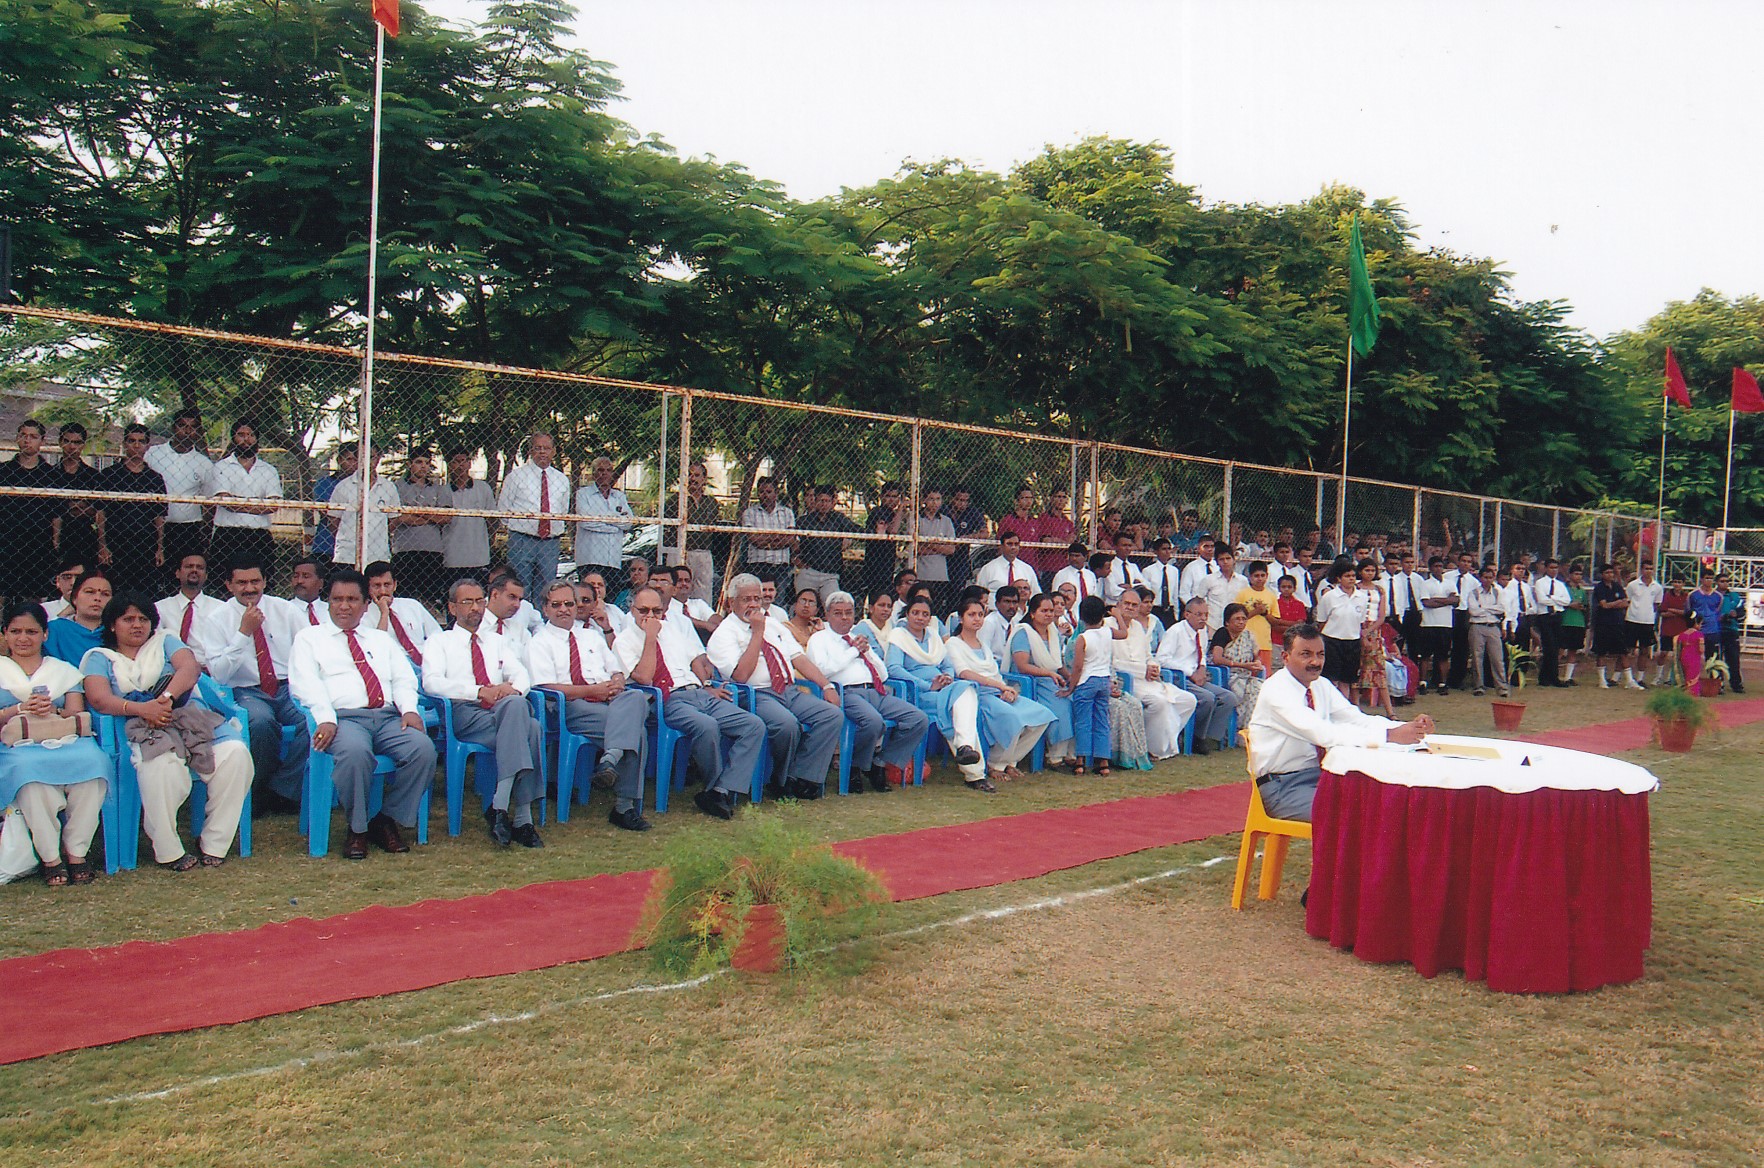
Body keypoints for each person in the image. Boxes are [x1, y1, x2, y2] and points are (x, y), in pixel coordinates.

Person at [82, 593, 253, 869]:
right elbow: (99, 698)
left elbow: (190, 668)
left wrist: (166, 699)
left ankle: (215, 843)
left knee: (236, 755)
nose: (137, 625)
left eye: (143, 619)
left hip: (190, 719)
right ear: (112, 625)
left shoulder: (165, 641)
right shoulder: (99, 657)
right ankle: (168, 849)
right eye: (128, 619)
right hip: (140, 727)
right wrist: (142, 709)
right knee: (160, 767)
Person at [288, 569, 437, 860]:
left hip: (387, 717)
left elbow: (403, 678)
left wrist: (409, 709)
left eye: (352, 600)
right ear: (328, 602)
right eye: (337, 599)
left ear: (366, 604)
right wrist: (326, 718)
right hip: (343, 719)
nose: (344, 606)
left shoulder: (380, 640)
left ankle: (385, 820)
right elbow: (306, 684)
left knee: (423, 750)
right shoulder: (310, 639)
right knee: (355, 753)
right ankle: (357, 829)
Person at [1245, 623, 1434, 821]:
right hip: (1282, 786)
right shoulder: (1276, 691)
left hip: (1322, 776)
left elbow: (1357, 719)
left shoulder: (1320, 685)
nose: (1315, 662)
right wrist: (1389, 736)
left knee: (1381, 803)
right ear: (1285, 657)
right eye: (1305, 654)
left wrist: (1408, 728)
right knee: (1356, 817)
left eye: (1320, 655)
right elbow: (1324, 734)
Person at [613, 585, 767, 821]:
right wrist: (650, 638)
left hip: (698, 692)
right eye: (644, 610)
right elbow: (644, 677)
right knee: (706, 726)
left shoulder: (672, 631)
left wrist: (707, 684)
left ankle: (721, 790)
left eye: (657, 611)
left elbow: (695, 661)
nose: (651, 616)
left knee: (753, 725)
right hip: (667, 699)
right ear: (632, 610)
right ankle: (713, 787)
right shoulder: (624, 640)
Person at [422, 578, 546, 846]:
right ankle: (522, 817)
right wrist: (477, 691)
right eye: (467, 602)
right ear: (452, 608)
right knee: (532, 729)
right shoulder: (439, 641)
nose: (475, 608)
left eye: (480, 601)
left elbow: (521, 675)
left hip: (502, 710)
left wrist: (511, 689)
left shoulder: (496, 641)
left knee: (518, 708)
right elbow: (431, 683)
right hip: (465, 712)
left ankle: (501, 808)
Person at [0, 601, 111, 886]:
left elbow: (74, 713)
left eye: (31, 632)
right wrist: (19, 709)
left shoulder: (62, 671)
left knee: (94, 766)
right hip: (16, 746)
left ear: (45, 634)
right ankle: (51, 859)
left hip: (64, 740)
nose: (23, 638)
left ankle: (77, 854)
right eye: (16, 631)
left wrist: (53, 710)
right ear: (5, 634)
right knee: (32, 780)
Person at [526, 581, 652, 830]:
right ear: (545, 609)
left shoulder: (591, 636)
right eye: (556, 605)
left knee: (636, 698)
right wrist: (592, 691)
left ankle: (610, 758)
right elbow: (547, 687)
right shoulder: (539, 642)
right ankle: (624, 806)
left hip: (608, 701)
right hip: (569, 707)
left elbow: (616, 670)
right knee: (637, 732)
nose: (564, 609)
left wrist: (617, 683)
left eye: (569, 603)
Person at [706, 574, 845, 800]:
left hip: (788, 690)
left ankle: (801, 777)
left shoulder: (773, 624)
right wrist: (757, 632)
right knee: (786, 724)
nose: (753, 605)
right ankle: (779, 780)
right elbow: (740, 676)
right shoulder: (724, 633)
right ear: (731, 603)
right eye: (746, 599)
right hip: (755, 695)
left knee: (831, 715)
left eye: (757, 599)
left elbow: (798, 658)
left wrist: (826, 685)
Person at [201, 561, 311, 813]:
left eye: (255, 581)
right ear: (229, 585)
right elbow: (219, 674)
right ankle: (258, 790)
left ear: (264, 582)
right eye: (241, 583)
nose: (249, 588)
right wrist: (243, 633)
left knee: (312, 721)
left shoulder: (285, 610)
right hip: (246, 690)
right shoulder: (217, 619)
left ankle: (283, 790)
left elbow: (309, 648)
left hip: (287, 687)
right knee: (260, 723)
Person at [807, 592, 930, 793]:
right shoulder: (819, 639)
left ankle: (879, 763)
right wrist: (853, 652)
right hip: (846, 693)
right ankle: (854, 767)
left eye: (848, 613)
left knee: (918, 719)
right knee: (873, 722)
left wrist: (867, 653)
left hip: (875, 690)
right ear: (827, 615)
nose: (844, 617)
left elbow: (883, 674)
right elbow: (822, 671)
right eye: (838, 613)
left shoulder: (856, 637)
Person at [945, 597, 1054, 785]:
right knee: (1012, 718)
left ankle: (1009, 761)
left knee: (1042, 716)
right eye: (971, 615)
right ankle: (995, 763)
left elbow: (995, 672)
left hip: (997, 691)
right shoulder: (953, 644)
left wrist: (1005, 690)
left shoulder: (983, 645)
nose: (977, 619)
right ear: (961, 618)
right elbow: (964, 673)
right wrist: (999, 686)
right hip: (977, 694)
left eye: (980, 615)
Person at [886, 596, 992, 789]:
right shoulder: (899, 637)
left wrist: (947, 677)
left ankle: (966, 750)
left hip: (942, 689)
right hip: (916, 693)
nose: (920, 618)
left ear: (930, 618)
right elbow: (893, 669)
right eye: (915, 613)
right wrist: (928, 686)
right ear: (907, 614)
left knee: (966, 690)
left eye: (925, 614)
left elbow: (947, 665)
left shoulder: (933, 637)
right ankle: (974, 772)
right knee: (959, 707)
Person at [1107, 587, 1195, 761]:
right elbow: (1113, 663)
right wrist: (1143, 670)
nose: (1130, 608)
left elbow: (1149, 656)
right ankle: (1154, 749)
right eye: (1126, 604)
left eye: (1134, 605)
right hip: (1126, 681)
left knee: (1188, 700)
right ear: (1118, 604)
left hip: (1148, 681)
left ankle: (1159, 741)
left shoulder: (1138, 628)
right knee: (1160, 703)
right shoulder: (1107, 625)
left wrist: (1153, 667)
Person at [1154, 597, 1240, 755]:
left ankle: (1209, 736)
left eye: (1206, 614)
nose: (1203, 618)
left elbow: (1202, 655)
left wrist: (1202, 668)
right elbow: (1162, 659)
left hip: (1197, 676)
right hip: (1179, 677)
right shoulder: (1175, 631)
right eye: (1199, 614)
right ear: (1187, 614)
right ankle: (1196, 737)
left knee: (1229, 698)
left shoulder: (1202, 632)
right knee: (1207, 698)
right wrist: (1190, 672)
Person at [497, 432, 569, 604]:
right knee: (518, 587)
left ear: (553, 451)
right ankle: (518, 619)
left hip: (550, 543)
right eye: (538, 448)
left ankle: (540, 620)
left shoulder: (561, 479)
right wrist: (522, 526)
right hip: (522, 540)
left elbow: (563, 510)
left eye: (547, 448)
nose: (542, 452)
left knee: (546, 590)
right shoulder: (516, 477)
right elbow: (503, 510)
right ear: (530, 451)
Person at [95, 424, 168, 596]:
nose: (136, 445)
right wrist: (102, 545)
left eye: (141, 441)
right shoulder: (109, 475)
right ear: (124, 443)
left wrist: (160, 548)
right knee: (115, 592)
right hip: (116, 543)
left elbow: (159, 517)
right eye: (131, 441)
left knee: (144, 593)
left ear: (147, 445)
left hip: (145, 545)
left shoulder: (154, 478)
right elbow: (100, 513)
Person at [207, 419, 284, 580]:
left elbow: (273, 504)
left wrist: (238, 502)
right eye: (241, 435)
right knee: (224, 583)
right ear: (233, 438)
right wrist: (257, 504)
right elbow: (225, 501)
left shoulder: (269, 470)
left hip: (259, 536)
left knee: (262, 582)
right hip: (228, 534)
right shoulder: (221, 467)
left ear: (257, 439)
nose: (246, 439)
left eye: (251, 435)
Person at [145, 409, 213, 586]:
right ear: (174, 428)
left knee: (184, 578)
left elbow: (208, 502)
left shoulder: (204, 463)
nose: (187, 431)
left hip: (188, 528)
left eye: (193, 427)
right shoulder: (153, 454)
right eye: (183, 426)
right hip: (155, 526)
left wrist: (205, 532)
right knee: (154, 575)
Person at [1010, 593, 1075, 768]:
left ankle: (1071, 753)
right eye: (1044, 611)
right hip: (1031, 682)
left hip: (1052, 680)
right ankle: (1055, 755)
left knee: (1076, 699)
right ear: (1032, 613)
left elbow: (1057, 663)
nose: (1048, 614)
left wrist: (1072, 679)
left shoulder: (1053, 633)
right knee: (1062, 704)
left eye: (1051, 611)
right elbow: (1022, 666)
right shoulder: (1024, 633)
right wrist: (1048, 674)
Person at [0, 420, 59, 605]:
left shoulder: (51, 475)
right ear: (17, 438)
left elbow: (56, 514)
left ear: (42, 440)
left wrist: (55, 542)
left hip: (38, 541)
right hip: (6, 539)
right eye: (23, 436)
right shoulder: (4, 471)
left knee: (34, 596)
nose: (27, 441)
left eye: (33, 437)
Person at [393, 449, 453, 608]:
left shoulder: (439, 488)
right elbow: (400, 517)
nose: (423, 466)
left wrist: (416, 512)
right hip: (405, 550)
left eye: (427, 463)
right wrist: (430, 513)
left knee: (430, 598)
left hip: (432, 550)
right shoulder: (397, 487)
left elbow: (445, 518)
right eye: (419, 462)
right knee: (404, 599)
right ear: (409, 464)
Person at [328, 445, 402, 572]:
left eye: (371, 457)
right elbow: (333, 520)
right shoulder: (343, 486)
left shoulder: (389, 487)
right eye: (362, 457)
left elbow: (393, 520)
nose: (367, 461)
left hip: (378, 554)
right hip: (347, 554)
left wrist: (376, 534)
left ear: (378, 458)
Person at [574, 456, 635, 599]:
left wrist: (601, 517)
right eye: (600, 470)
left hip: (613, 559)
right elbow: (586, 522)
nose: (604, 474)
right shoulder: (583, 494)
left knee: (610, 599)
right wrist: (615, 524)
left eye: (608, 470)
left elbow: (628, 522)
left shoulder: (618, 496)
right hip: (590, 558)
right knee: (589, 597)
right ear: (594, 473)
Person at [1067, 596, 1115, 775]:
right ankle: (1103, 761)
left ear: (1082, 617)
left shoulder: (1083, 638)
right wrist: (1116, 614)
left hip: (1086, 681)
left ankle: (1080, 761)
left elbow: (1078, 667)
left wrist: (1071, 687)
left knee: (1083, 721)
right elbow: (1124, 633)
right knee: (1102, 720)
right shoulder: (1108, 632)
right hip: (1104, 680)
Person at [663, 460, 722, 603]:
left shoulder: (711, 503)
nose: (693, 479)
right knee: (678, 589)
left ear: (704, 479)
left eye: (697, 475)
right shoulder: (675, 501)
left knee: (703, 591)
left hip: (702, 552)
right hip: (680, 551)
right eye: (689, 475)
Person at [364, 561, 441, 666]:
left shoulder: (412, 605)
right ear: (368, 588)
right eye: (377, 586)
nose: (383, 591)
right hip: (394, 664)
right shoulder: (365, 616)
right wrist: (384, 614)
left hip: (425, 660)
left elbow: (436, 635)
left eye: (387, 585)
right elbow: (377, 647)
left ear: (395, 585)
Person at [50, 422, 103, 573]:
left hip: (85, 536)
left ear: (83, 445)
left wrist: (67, 507)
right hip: (56, 535)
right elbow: (51, 509)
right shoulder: (50, 474)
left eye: (77, 442)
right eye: (67, 441)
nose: (72, 447)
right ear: (60, 442)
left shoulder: (93, 476)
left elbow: (97, 511)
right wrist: (78, 506)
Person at [154, 554, 226, 665]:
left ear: (206, 575)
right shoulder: (160, 608)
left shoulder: (221, 609)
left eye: (200, 567)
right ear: (178, 573)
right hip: (172, 669)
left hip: (209, 669)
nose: (194, 570)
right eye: (189, 566)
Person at [794, 485, 856, 601]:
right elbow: (792, 541)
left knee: (832, 603)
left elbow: (856, 530)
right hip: (809, 571)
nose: (824, 504)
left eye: (827, 501)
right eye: (821, 500)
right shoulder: (804, 521)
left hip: (831, 574)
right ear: (815, 501)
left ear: (832, 502)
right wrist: (796, 559)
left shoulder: (839, 519)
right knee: (805, 603)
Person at [442, 447, 496, 582]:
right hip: (452, 556)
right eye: (455, 461)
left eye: (463, 461)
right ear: (450, 465)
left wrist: (490, 539)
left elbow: (492, 519)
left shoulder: (483, 488)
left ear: (469, 463)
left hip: (479, 556)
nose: (460, 465)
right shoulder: (443, 491)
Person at [1312, 562, 1364, 699]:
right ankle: (1327, 704)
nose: (1351, 579)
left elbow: (1361, 621)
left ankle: (1343, 706)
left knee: (1346, 680)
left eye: (1353, 576)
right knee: (1331, 678)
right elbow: (1322, 620)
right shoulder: (1329, 597)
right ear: (1339, 578)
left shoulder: (1361, 597)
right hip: (1332, 641)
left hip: (1352, 641)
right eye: (1347, 576)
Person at [1211, 602, 1268, 717]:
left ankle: (1250, 725)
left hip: (1246, 676)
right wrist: (1241, 665)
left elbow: (1256, 656)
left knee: (1263, 689)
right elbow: (1217, 659)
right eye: (1237, 619)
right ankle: (1238, 723)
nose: (1241, 622)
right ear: (1227, 622)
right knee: (1242, 690)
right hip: (1228, 676)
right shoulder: (1222, 633)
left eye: (1244, 619)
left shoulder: (1248, 636)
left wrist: (1257, 663)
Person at [47, 569, 115, 666]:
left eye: (105, 594)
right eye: (90, 592)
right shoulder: (54, 630)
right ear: (74, 598)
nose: (97, 598)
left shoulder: (118, 631)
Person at [740, 476, 797, 588]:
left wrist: (765, 538)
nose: (765, 495)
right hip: (757, 564)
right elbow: (754, 539)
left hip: (780, 565)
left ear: (776, 493)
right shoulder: (750, 513)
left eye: (769, 492)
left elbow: (790, 539)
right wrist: (777, 537)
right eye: (761, 492)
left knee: (779, 596)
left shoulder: (787, 513)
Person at [1464, 563, 1510, 699]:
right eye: (1485, 577)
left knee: (1497, 658)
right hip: (1477, 626)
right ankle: (1478, 686)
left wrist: (1483, 608)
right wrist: (1491, 609)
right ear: (1480, 578)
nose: (1488, 580)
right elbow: (1473, 611)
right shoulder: (1473, 593)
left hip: (1493, 626)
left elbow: (1502, 608)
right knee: (1477, 657)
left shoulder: (1498, 592)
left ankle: (1502, 687)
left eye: (1490, 577)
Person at [309, 446, 357, 566]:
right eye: (349, 459)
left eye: (356, 459)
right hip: (326, 544)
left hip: (353, 545)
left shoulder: (363, 486)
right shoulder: (325, 483)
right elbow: (326, 511)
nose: (353, 463)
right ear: (339, 460)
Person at [1356, 559, 1393, 710]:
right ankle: (1355, 706)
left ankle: (1389, 710)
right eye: (1367, 570)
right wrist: (1361, 631)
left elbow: (1381, 616)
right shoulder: (1355, 588)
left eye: (1372, 571)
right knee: (1356, 668)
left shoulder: (1379, 590)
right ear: (1360, 571)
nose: (1370, 573)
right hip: (1356, 629)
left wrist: (1369, 630)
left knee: (1378, 669)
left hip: (1374, 631)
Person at [861, 482, 905, 603]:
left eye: (895, 496)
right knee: (877, 595)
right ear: (881, 497)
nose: (891, 500)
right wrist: (901, 508)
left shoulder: (891, 513)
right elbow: (893, 530)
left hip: (887, 562)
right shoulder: (879, 511)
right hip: (876, 563)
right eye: (888, 496)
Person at [914, 489, 956, 615]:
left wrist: (927, 542)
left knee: (938, 611)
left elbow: (951, 549)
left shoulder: (946, 521)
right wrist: (939, 547)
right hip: (922, 574)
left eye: (938, 499)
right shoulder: (916, 519)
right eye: (931, 499)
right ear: (924, 500)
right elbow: (916, 549)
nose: (935, 503)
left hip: (940, 576)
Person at [1530, 558, 1571, 687]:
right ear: (1546, 568)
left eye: (1556, 568)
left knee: (1556, 646)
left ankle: (1548, 676)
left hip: (1557, 616)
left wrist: (1552, 597)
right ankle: (1549, 677)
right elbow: (1542, 600)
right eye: (1551, 568)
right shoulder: (1540, 583)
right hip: (1545, 616)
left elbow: (1567, 601)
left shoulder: (1560, 584)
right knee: (1549, 646)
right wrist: (1557, 600)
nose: (1554, 570)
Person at [1590, 563, 1631, 689]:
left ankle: (1630, 680)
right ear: (1602, 574)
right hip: (1603, 623)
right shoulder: (1600, 588)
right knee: (1601, 652)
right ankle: (1602, 680)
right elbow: (1604, 605)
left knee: (1623, 651)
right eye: (1607, 573)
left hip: (1617, 622)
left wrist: (1613, 604)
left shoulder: (1617, 586)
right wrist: (1617, 602)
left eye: (1611, 572)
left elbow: (1625, 603)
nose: (1610, 575)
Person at [1623, 561, 1663, 690]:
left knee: (1644, 650)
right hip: (1632, 620)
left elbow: (1656, 604)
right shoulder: (1633, 585)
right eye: (1646, 568)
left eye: (1651, 568)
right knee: (1627, 650)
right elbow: (1628, 600)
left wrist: (1649, 615)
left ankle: (1640, 678)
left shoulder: (1657, 587)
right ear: (1641, 570)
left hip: (1647, 622)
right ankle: (1628, 678)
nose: (1648, 571)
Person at [1235, 561, 1279, 676]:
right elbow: (1236, 618)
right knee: (1246, 674)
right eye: (1256, 576)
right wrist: (1255, 611)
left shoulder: (1271, 596)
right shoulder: (1243, 594)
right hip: (1245, 642)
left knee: (1264, 674)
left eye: (1262, 575)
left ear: (1267, 576)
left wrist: (1264, 613)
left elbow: (1275, 621)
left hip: (1264, 642)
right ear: (1250, 577)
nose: (1259, 579)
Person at [973, 531, 1041, 600]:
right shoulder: (988, 569)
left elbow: (1036, 595)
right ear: (1001, 546)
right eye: (1009, 544)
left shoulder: (1027, 569)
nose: (1013, 547)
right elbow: (978, 595)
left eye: (1016, 544)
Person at [945, 486, 987, 593]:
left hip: (961, 559)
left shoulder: (972, 512)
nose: (962, 504)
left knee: (957, 591)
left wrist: (966, 538)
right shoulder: (944, 511)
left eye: (966, 501)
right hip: (943, 557)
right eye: (959, 500)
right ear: (952, 499)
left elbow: (985, 533)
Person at [1199, 548, 1247, 634]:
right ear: (1216, 562)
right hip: (1213, 625)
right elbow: (1199, 601)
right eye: (1221, 559)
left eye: (1228, 558)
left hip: (1236, 626)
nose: (1225, 562)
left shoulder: (1243, 581)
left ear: (1234, 560)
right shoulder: (1208, 580)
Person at [1715, 572, 1748, 693]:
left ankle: (1736, 684)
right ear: (1717, 583)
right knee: (1716, 659)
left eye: (1727, 581)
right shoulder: (1713, 595)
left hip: (1731, 630)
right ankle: (1718, 684)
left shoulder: (1734, 597)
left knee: (1733, 659)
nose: (1725, 584)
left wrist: (1736, 615)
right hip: (1716, 630)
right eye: (1722, 581)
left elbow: (1743, 614)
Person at [1559, 563, 1590, 685]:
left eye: (1580, 574)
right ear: (1570, 575)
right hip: (1565, 621)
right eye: (1576, 574)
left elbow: (1586, 605)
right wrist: (1570, 605)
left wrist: (1582, 608)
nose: (1578, 577)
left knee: (1573, 650)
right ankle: (1554, 674)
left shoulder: (1581, 590)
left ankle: (1568, 677)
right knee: (1561, 649)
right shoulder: (1564, 588)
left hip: (1578, 623)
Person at [1142, 539, 1183, 626]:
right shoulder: (1148, 571)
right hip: (1155, 609)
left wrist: (1176, 614)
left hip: (1169, 610)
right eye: (1163, 549)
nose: (1167, 552)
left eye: (1169, 549)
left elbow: (1175, 594)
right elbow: (1146, 593)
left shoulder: (1174, 571)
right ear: (1156, 551)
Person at [1036, 490, 1076, 578]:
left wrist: (1056, 540)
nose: (1061, 500)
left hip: (1064, 567)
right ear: (1052, 499)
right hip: (1048, 567)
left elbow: (1072, 539)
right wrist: (1064, 542)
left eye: (1063, 497)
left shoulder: (1067, 522)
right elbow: (1046, 540)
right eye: (1058, 497)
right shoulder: (1045, 518)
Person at [288, 556, 332, 629]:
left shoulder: (331, 611)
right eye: (296, 576)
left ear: (320, 583)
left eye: (306, 576)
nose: (299, 581)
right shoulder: (284, 610)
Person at [979, 585, 1021, 662]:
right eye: (1007, 602)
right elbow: (983, 652)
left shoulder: (1017, 622)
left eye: (1014, 602)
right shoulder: (989, 623)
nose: (1011, 606)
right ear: (997, 604)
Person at [1103, 532, 1144, 605]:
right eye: (1124, 545)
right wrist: (1135, 588)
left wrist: (1130, 586)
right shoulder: (1109, 566)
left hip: (1131, 607)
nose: (1127, 548)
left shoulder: (1133, 567)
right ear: (1115, 547)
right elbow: (1112, 591)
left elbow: (1145, 586)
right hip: (1114, 606)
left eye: (1129, 545)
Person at [1177, 535, 1219, 604]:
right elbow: (1184, 593)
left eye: (1212, 546)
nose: (1210, 549)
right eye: (1206, 546)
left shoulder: (1218, 567)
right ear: (1198, 548)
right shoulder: (1191, 568)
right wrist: (1193, 606)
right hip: (1197, 607)